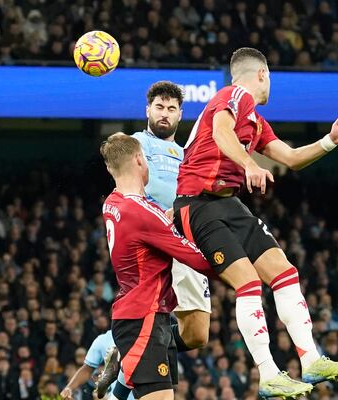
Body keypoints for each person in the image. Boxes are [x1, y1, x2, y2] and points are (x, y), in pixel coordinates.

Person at [173, 47, 338, 398]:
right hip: (196, 204)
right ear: (262, 74)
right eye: (270, 77)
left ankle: (310, 359)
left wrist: (329, 141)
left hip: (227, 203)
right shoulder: (235, 95)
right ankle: (269, 374)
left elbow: (290, 158)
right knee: (248, 282)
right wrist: (248, 164)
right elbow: (220, 132)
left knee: (283, 270)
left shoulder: (256, 121)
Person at [96, 81, 212, 398]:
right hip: (155, 240)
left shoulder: (187, 154)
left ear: (179, 115)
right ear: (148, 110)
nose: (164, 114)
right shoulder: (135, 144)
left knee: (198, 333)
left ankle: (122, 352)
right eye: (159, 107)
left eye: (171, 108)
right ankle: (129, 347)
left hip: (185, 236)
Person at [61, 330, 134, 400]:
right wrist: (69, 388)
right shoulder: (103, 339)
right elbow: (87, 369)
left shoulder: (144, 336)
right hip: (117, 396)